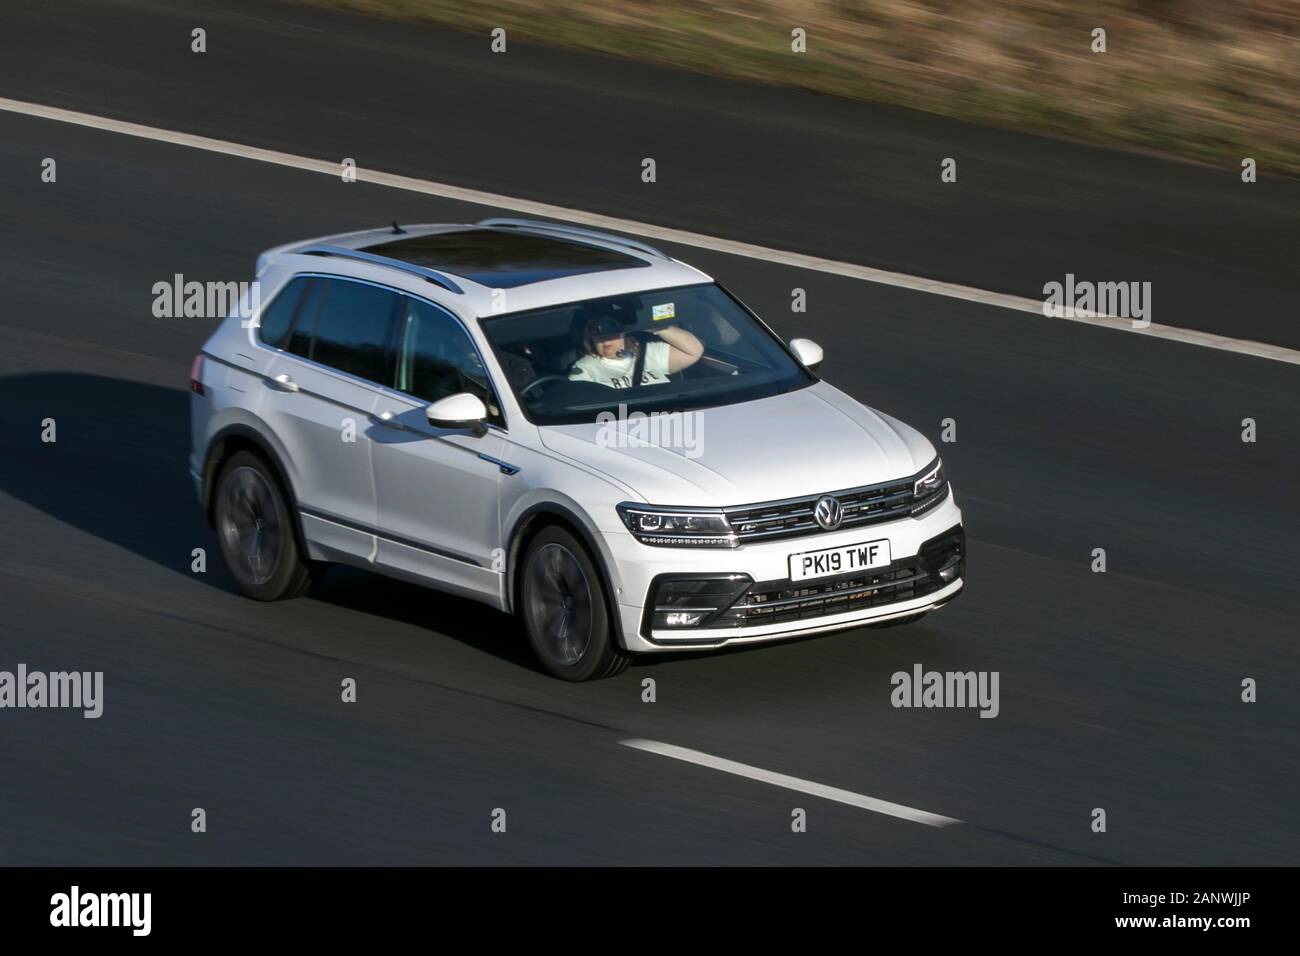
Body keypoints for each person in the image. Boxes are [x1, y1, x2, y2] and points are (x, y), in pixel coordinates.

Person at [568, 312, 703, 389]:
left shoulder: (647, 351)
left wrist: (655, 327)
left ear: (624, 333)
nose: (606, 340)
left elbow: (694, 351)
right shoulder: (585, 368)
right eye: (598, 335)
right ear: (590, 338)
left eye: (611, 332)